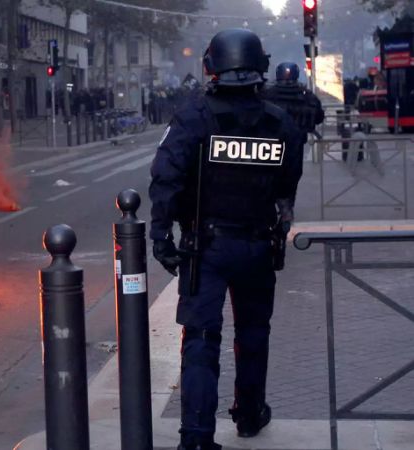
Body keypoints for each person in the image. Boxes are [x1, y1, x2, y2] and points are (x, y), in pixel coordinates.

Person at [149, 29, 304, 450]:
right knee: (254, 333)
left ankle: (197, 437)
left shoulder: (194, 116)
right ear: (260, 67)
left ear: (212, 65)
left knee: (201, 339)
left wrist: (162, 236)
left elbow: (166, 178)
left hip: (206, 248)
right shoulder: (280, 123)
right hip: (256, 245)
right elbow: (287, 184)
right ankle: (250, 417)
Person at [261, 62, 324, 143]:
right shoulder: (307, 96)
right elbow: (319, 118)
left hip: (272, 142)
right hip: (297, 142)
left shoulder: (267, 94)